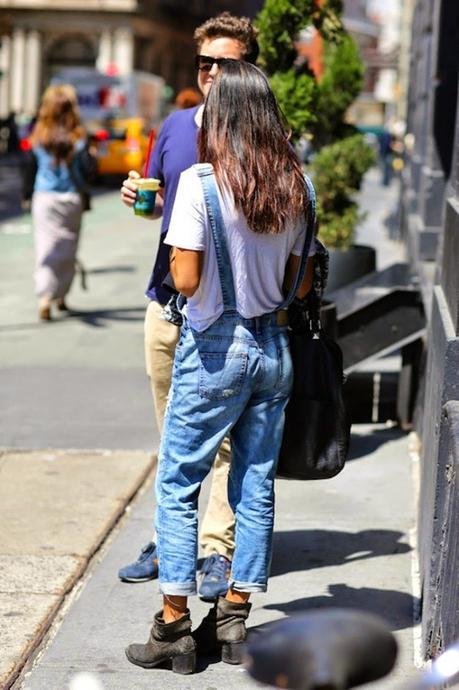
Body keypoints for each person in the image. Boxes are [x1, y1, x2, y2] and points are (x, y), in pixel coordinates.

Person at [125, 59, 315, 675]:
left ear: (223, 117)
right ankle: (233, 618)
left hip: (214, 349)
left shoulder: (203, 185)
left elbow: (184, 275)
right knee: (255, 484)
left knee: (180, 483)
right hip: (274, 349)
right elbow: (302, 282)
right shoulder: (297, 188)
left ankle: (173, 625)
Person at [119, 12, 259, 601]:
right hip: (167, 300)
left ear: (247, 69)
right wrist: (139, 201)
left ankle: (214, 549)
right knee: (172, 432)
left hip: (229, 313)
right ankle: (172, 538)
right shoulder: (174, 127)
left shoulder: (259, 136)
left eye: (224, 64)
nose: (211, 74)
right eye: (204, 64)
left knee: (224, 439)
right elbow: (161, 206)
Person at [26, 85, 93, 321]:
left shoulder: (38, 133)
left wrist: (26, 196)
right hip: (71, 197)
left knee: (45, 248)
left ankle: (45, 297)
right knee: (68, 248)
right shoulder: (77, 135)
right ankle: (61, 296)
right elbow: (89, 169)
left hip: (44, 197)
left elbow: (30, 167)